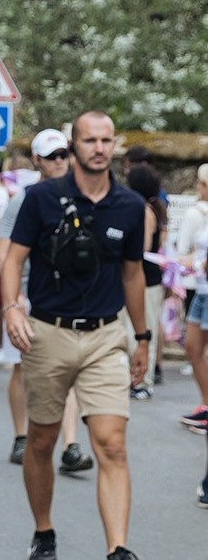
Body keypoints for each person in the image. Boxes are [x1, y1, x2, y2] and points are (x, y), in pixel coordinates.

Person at [3, 112, 147, 560]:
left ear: (114, 146)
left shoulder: (130, 206)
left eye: (107, 140)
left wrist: (141, 337)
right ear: (75, 144)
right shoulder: (41, 199)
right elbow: (13, 260)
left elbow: (133, 273)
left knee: (111, 443)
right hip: (48, 333)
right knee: (42, 440)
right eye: (90, 140)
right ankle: (44, 531)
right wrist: (12, 307)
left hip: (106, 336)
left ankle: (117, 549)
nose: (99, 148)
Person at [0, 129, 93, 470]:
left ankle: (71, 445)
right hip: (24, 296)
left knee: (68, 368)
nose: (59, 162)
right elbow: (4, 248)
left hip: (63, 297)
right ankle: (21, 436)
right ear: (37, 160)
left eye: (63, 155)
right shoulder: (26, 198)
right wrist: (12, 299)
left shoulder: (83, 194)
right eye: (51, 156)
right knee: (22, 367)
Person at [124, 165, 165, 401]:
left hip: (147, 280)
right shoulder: (149, 208)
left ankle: (144, 381)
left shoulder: (144, 211)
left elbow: (142, 248)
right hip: (148, 278)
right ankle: (136, 378)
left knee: (143, 330)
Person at [177, 164, 208, 434]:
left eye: (201, 184)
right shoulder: (203, 213)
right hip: (201, 289)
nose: (198, 189)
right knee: (193, 348)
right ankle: (206, 404)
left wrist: (197, 264)